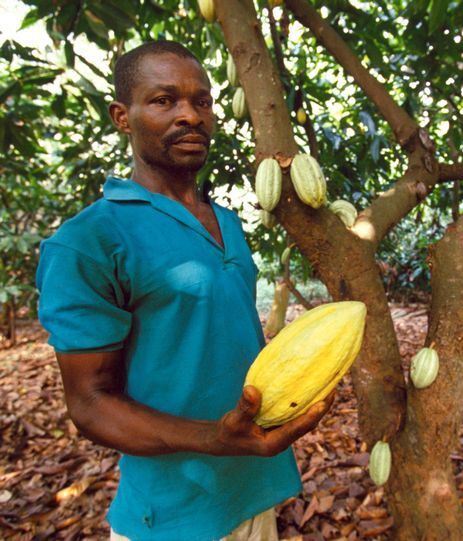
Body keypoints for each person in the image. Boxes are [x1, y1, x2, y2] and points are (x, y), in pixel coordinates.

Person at [36, 40, 332, 541]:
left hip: (253, 491)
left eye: (201, 101)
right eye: (163, 100)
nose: (190, 116)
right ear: (121, 117)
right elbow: (88, 402)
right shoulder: (88, 242)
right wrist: (215, 438)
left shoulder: (229, 222)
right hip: (171, 517)